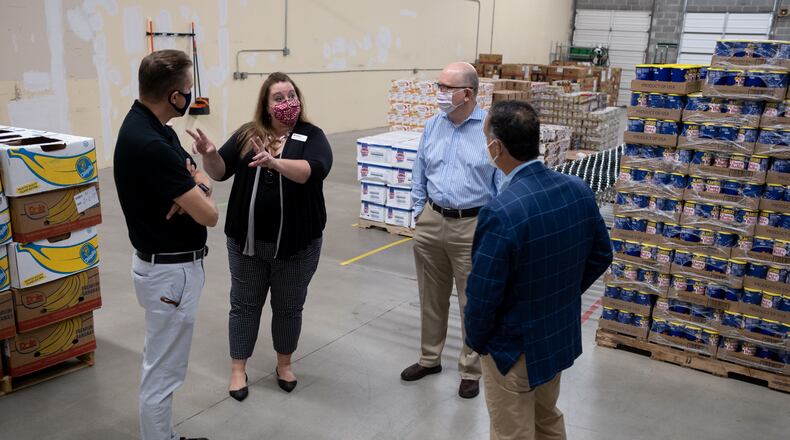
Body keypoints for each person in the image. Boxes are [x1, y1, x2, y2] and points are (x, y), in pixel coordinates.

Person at [464, 100, 613, 440]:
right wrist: (560, 294)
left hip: (512, 348)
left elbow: (484, 293)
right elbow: (602, 253)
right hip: (554, 335)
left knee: (511, 431)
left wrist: (477, 340)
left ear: (496, 147)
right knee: (546, 418)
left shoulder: (502, 211)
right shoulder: (577, 190)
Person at [190, 72, 332, 400]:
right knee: (244, 305)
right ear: (266, 106)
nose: (287, 103)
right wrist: (209, 152)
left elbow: (314, 170)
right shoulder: (247, 134)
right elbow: (220, 171)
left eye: (291, 96)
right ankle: (238, 370)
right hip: (247, 244)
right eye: (279, 98)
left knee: (288, 307)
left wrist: (275, 163)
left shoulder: (312, 136)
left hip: (296, 245)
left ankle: (284, 364)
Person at [114, 49, 219, 440]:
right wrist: (197, 189)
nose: (191, 96)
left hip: (166, 271)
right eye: (188, 90)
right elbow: (210, 215)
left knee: (161, 364)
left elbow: (199, 185)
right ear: (174, 94)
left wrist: (195, 185)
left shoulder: (154, 128)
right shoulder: (151, 144)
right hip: (170, 276)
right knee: (162, 374)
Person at [400, 62, 502, 399]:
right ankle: (430, 358)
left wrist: (495, 230)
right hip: (432, 220)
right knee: (431, 296)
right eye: (439, 86)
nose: (439, 93)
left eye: (446, 88)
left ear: (467, 94)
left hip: (473, 226)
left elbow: (501, 183)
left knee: (472, 302)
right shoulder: (433, 125)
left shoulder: (491, 130)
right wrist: (419, 212)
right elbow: (419, 170)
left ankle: (471, 369)